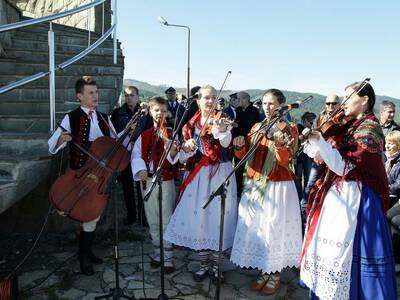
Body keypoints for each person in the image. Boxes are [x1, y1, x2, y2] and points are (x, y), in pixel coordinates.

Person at [300, 81, 397, 299]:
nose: (342, 103)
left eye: (347, 97)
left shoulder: (370, 128)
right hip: (338, 195)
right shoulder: (350, 126)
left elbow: (343, 165)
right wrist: (317, 144)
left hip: (358, 199)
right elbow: (323, 158)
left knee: (352, 253)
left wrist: (321, 142)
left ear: (364, 100)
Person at [230, 89, 302, 295]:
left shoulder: (290, 128)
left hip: (278, 185)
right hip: (256, 182)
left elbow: (285, 162)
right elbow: (245, 156)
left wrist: (279, 143)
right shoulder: (256, 126)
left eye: (271, 104)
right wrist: (239, 146)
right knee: (259, 228)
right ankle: (264, 268)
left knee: (273, 228)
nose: (267, 107)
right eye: (264, 103)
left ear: (281, 105)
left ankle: (275, 272)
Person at [164, 85, 238, 283]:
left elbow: (225, 143)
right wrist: (187, 148)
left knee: (217, 220)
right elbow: (182, 157)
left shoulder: (223, 120)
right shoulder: (189, 125)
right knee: (200, 221)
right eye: (206, 97)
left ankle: (217, 265)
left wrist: (222, 129)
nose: (210, 100)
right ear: (198, 101)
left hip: (220, 173)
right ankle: (204, 263)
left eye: (214, 97)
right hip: (197, 176)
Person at [48, 76, 119, 276]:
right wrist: (62, 139)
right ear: (79, 96)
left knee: (93, 216)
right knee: (90, 217)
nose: (96, 96)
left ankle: (85, 251)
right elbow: (52, 146)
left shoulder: (105, 118)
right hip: (80, 174)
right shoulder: (70, 118)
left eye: (96, 92)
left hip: (100, 177)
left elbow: (115, 143)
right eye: (91, 93)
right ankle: (84, 255)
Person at [131, 96, 180, 274]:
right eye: (156, 110)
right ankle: (157, 253)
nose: (160, 113)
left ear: (167, 112)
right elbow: (136, 155)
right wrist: (140, 169)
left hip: (165, 181)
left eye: (163, 110)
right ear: (151, 112)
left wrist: (168, 142)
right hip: (148, 181)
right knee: (152, 220)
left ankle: (168, 257)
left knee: (166, 219)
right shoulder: (143, 135)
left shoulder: (172, 133)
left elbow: (175, 159)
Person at [111, 86, 147, 226]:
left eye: (132, 95)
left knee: (142, 186)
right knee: (127, 187)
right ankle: (131, 216)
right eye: (126, 95)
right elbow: (114, 134)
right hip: (124, 154)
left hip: (141, 154)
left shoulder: (145, 114)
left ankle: (144, 218)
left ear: (138, 97)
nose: (129, 98)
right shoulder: (117, 113)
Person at [385, 130, 400, 273]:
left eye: (392, 144)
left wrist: (383, 187)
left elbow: (398, 186)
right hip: (390, 196)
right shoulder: (389, 159)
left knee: (391, 217)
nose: (388, 146)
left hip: (396, 198)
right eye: (387, 143)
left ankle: (396, 260)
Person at [295, 112, 317, 202]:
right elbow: (298, 137)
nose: (312, 125)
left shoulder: (311, 130)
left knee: (308, 178)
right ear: (305, 120)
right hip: (299, 156)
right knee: (298, 178)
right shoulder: (298, 126)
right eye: (311, 123)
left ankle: (306, 198)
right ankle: (299, 198)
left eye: (313, 123)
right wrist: (305, 135)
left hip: (308, 156)